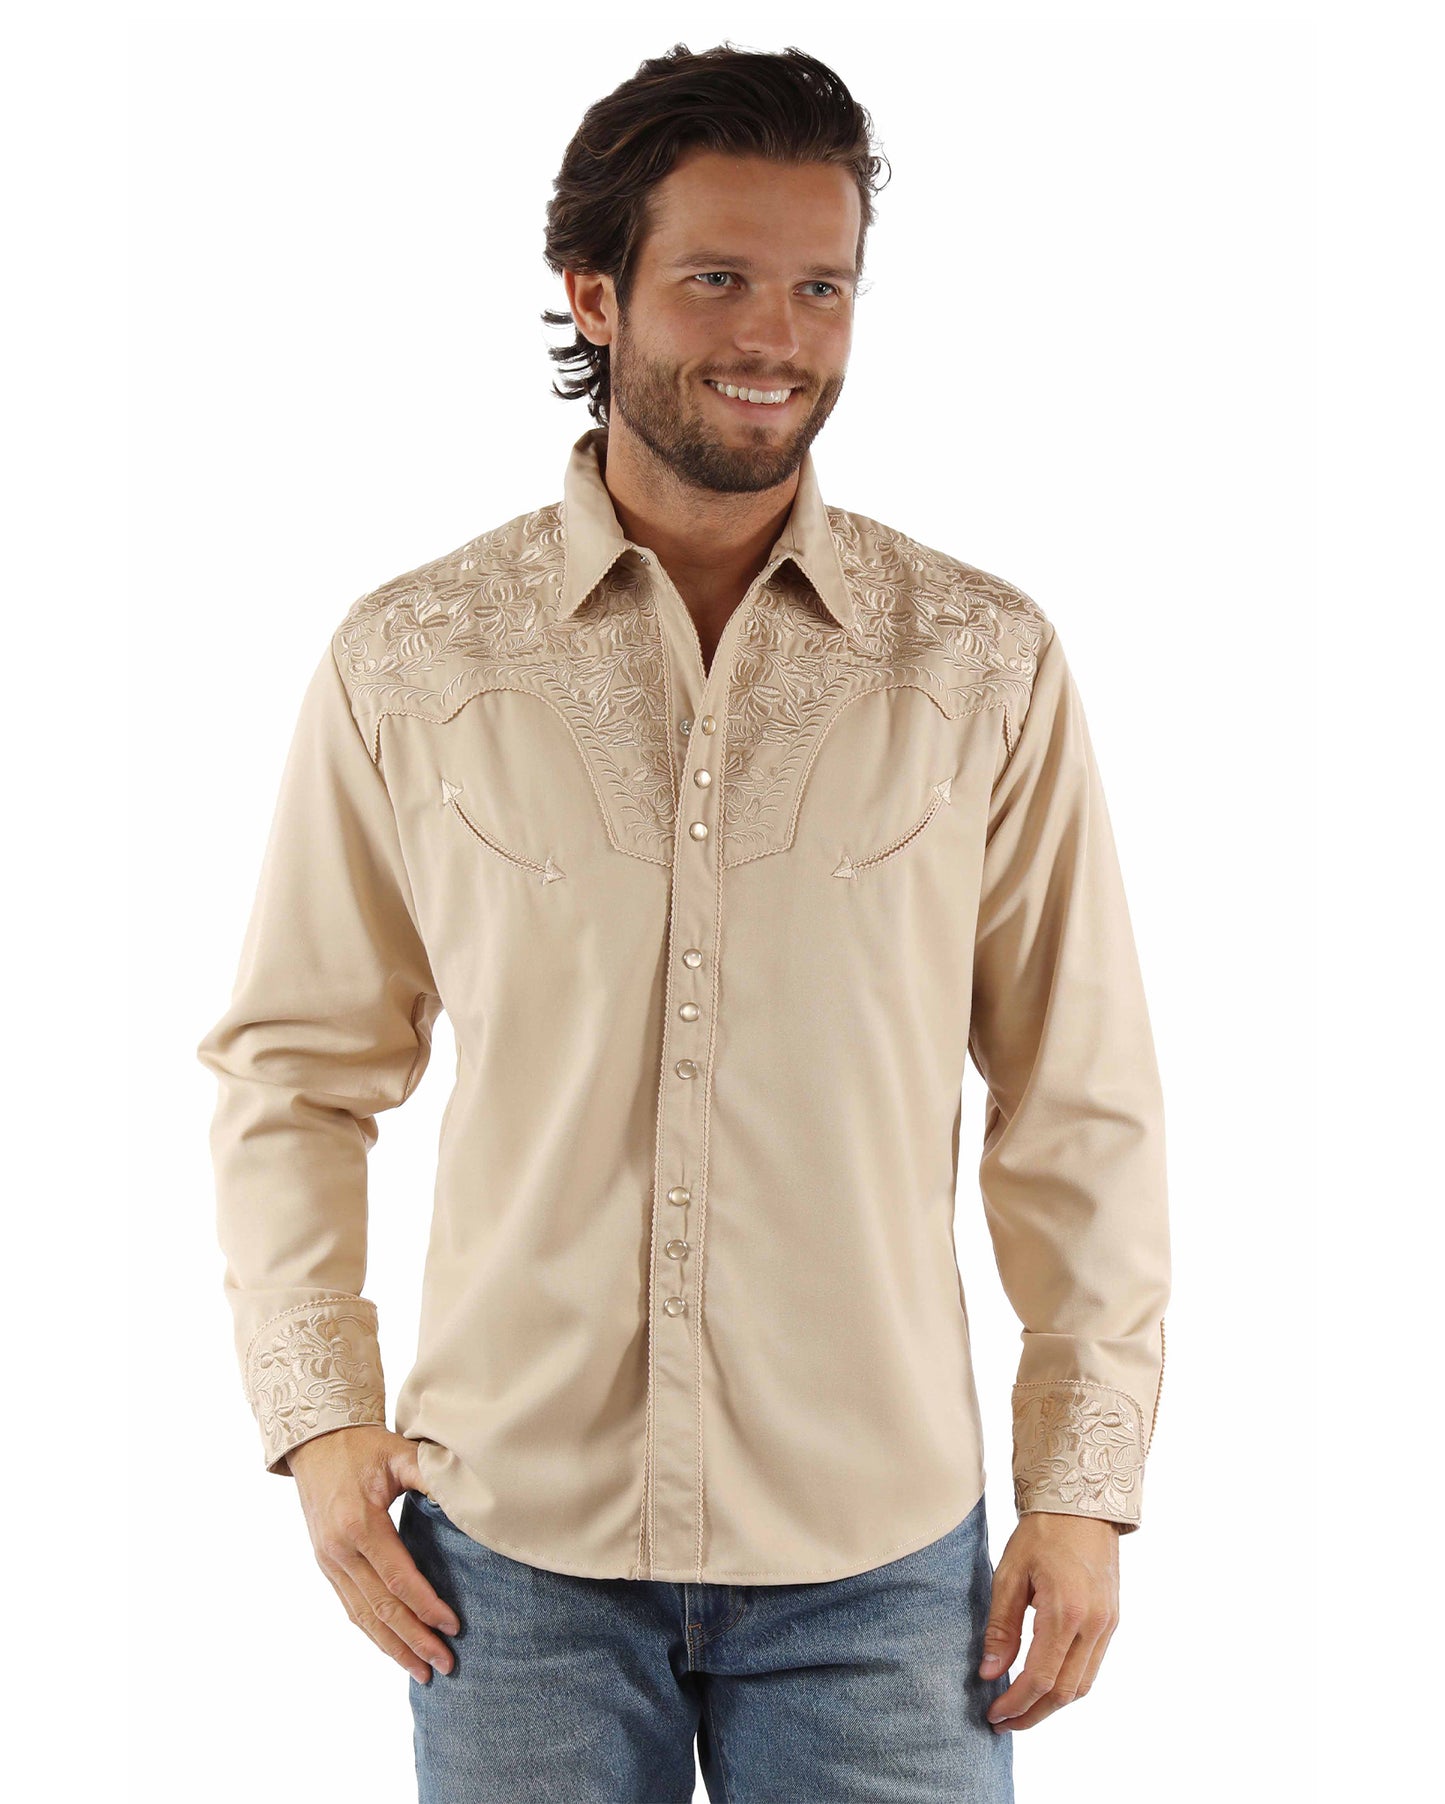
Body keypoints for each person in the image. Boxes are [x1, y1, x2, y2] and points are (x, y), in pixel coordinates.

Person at [196, 41, 1171, 1804]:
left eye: (820, 286)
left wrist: (1081, 1487)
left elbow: (1074, 1098)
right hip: (511, 1559)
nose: (774, 336)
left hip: (880, 1565)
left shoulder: (982, 663)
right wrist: (320, 1421)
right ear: (595, 293)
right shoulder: (412, 660)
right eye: (717, 278)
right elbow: (295, 1070)